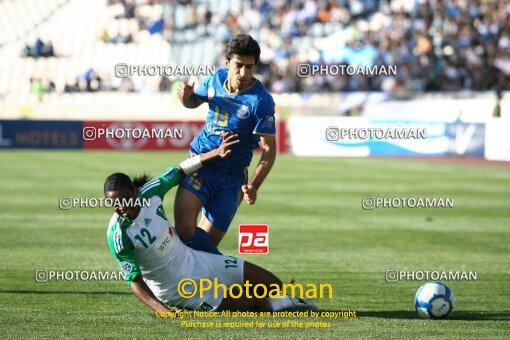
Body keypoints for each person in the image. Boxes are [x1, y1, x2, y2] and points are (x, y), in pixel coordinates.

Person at [105, 133, 315, 313]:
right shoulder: (119, 235)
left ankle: (279, 300)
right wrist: (164, 311)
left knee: (272, 283)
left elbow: (178, 170)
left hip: (195, 259)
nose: (121, 206)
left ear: (135, 191)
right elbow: (134, 280)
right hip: (176, 288)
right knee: (255, 305)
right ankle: (283, 304)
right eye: (113, 204)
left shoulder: (150, 193)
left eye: (124, 199)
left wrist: (216, 152)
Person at [175, 33, 277, 255]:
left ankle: (191, 283)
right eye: (238, 65)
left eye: (249, 67)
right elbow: (193, 101)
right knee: (184, 229)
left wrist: (253, 186)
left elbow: (269, 150)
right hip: (201, 165)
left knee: (203, 249)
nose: (243, 73)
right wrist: (185, 97)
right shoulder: (214, 80)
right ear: (227, 63)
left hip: (231, 180)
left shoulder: (262, 101)